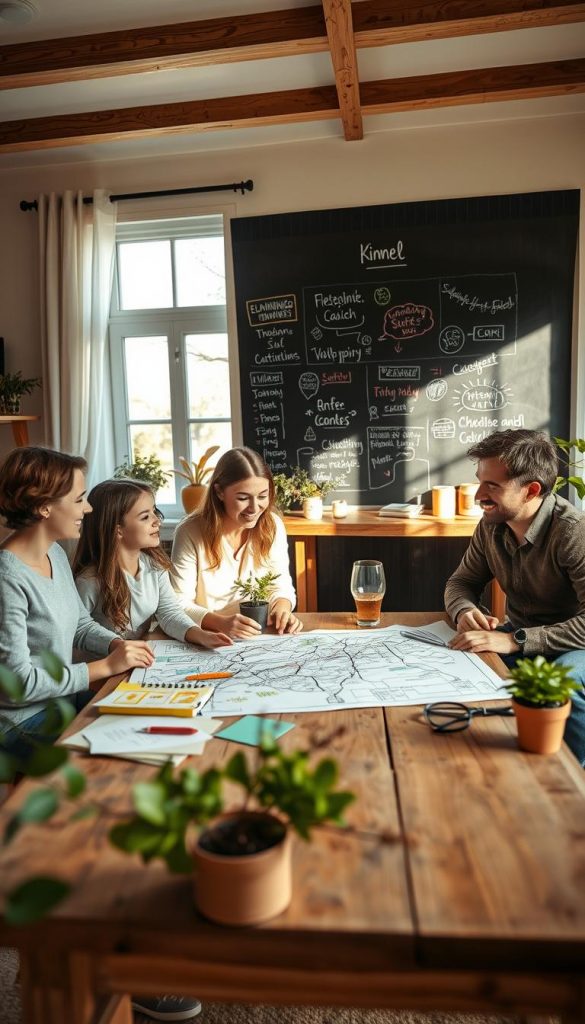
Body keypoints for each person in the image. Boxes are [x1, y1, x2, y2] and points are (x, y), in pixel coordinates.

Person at [0, 447, 154, 760]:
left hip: (63, 703)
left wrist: (114, 645)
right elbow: (16, 685)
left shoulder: (54, 553)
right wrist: (105, 667)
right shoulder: (7, 577)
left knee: (149, 724)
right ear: (44, 506)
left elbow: (80, 624)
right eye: (78, 499)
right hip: (22, 722)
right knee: (123, 757)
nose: (87, 510)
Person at [444, 428, 585, 766]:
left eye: (492, 486)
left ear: (531, 490)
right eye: (480, 481)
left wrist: (516, 640)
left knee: (561, 684)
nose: (479, 495)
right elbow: (460, 582)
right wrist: (464, 611)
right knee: (453, 670)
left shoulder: (573, 532)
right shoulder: (490, 526)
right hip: (518, 640)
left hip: (575, 645)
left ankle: (572, 775)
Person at [73, 478, 232, 652]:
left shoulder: (155, 567)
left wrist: (199, 634)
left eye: (154, 511)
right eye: (145, 517)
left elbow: (169, 613)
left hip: (137, 660)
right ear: (117, 529)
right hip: (102, 668)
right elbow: (77, 629)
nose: (157, 520)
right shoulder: (89, 581)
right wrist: (118, 647)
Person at [171, 446, 302, 639]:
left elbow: (280, 584)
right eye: (243, 498)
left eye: (263, 496)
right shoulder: (189, 531)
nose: (255, 508)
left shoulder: (273, 525)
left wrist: (282, 607)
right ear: (219, 492)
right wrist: (219, 622)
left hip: (261, 635)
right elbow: (178, 603)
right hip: (209, 637)